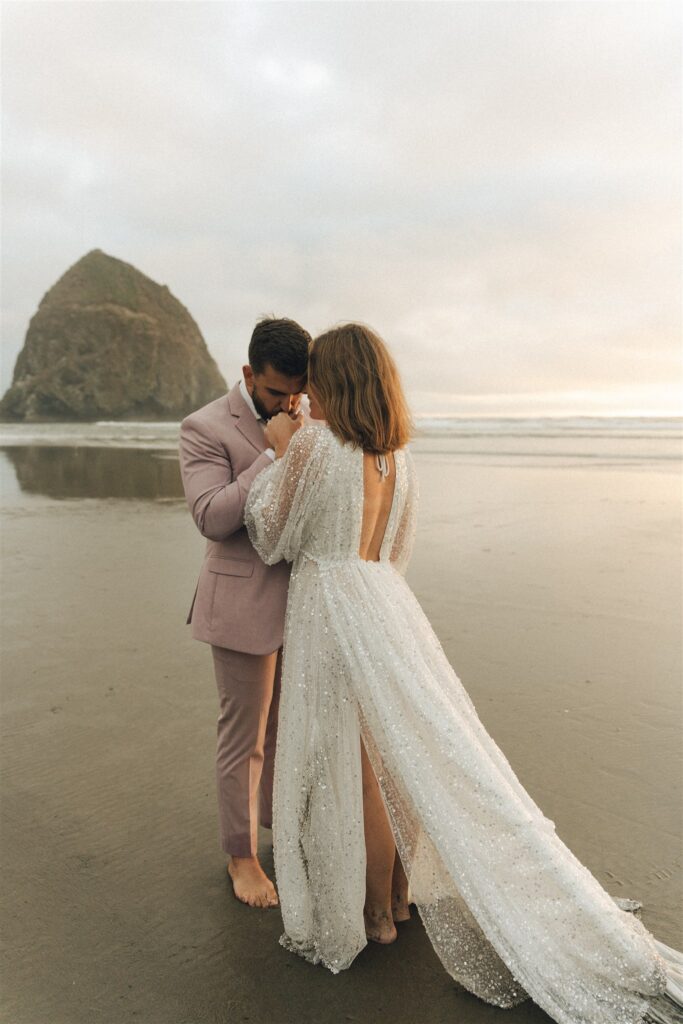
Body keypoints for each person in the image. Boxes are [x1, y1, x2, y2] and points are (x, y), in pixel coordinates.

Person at [243, 323, 683, 1023]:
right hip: (385, 603)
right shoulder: (396, 455)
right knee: (398, 754)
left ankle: (374, 918)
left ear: (335, 381)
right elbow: (397, 548)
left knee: (353, 764)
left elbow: (270, 534)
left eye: (315, 378)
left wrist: (277, 452)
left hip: (330, 609)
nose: (305, 391)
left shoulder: (315, 448)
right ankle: (394, 899)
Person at [179, 316, 310, 908]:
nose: (289, 403)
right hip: (239, 603)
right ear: (249, 374)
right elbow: (211, 516)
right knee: (244, 739)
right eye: (277, 391)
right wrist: (271, 456)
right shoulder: (204, 427)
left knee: (288, 732)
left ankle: (278, 829)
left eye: (297, 392)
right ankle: (240, 857)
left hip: (305, 604)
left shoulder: (305, 413)